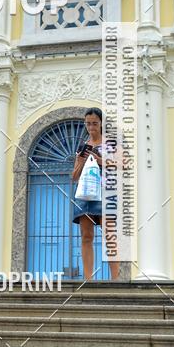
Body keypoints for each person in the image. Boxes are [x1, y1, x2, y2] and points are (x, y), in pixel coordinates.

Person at [72, 107, 119, 281]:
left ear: (101, 124)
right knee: (86, 236)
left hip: (106, 192)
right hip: (85, 194)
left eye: (94, 123)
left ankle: (116, 280)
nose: (91, 127)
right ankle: (88, 280)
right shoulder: (82, 147)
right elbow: (74, 177)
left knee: (110, 236)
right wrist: (81, 160)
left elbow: (123, 165)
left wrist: (99, 160)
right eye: (88, 124)